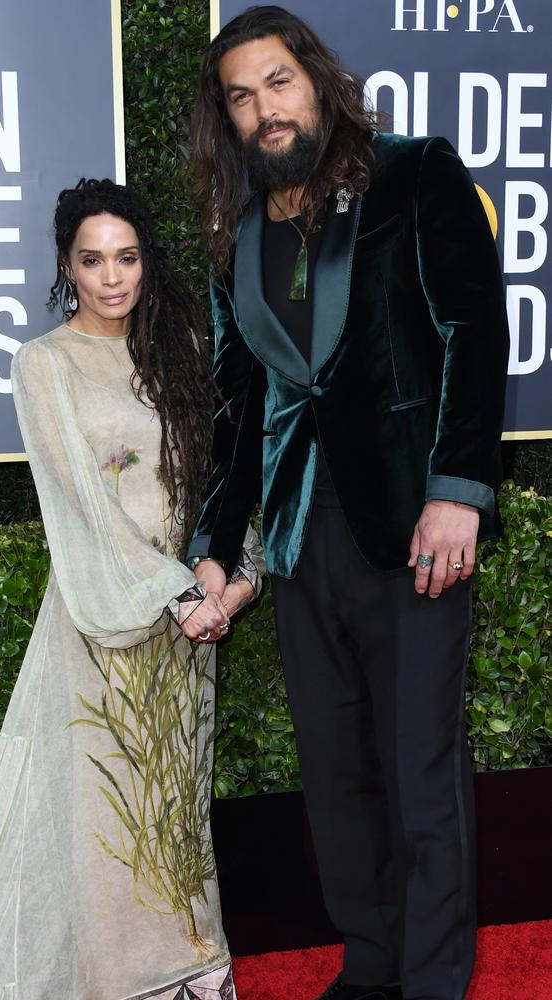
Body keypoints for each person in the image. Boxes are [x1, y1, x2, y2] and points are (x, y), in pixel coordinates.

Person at [185, 7, 510, 1000]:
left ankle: (429, 978)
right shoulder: (238, 236)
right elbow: (238, 410)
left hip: (411, 525)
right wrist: (211, 540)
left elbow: (471, 328)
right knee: (333, 775)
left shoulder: (413, 173)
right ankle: (369, 962)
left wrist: (455, 492)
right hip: (296, 539)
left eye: (275, 82)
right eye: (240, 97)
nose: (263, 110)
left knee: (418, 773)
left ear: (316, 80)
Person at [0, 180, 262, 1000]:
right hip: (104, 623)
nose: (111, 278)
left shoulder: (184, 356)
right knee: (105, 815)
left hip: (190, 625)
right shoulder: (45, 363)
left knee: (176, 807)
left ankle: (191, 975)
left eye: (127, 258)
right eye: (92, 260)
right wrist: (175, 594)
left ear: (147, 263)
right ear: (67, 265)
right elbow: (82, 507)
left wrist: (230, 586)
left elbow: (223, 486)